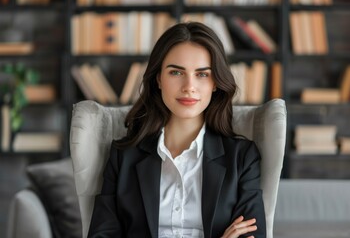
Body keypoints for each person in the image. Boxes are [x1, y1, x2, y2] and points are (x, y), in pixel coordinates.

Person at [88, 21, 266, 238]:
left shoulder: (243, 158)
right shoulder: (123, 157)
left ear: (216, 83)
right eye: (176, 72)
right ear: (159, 79)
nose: (189, 86)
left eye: (202, 74)